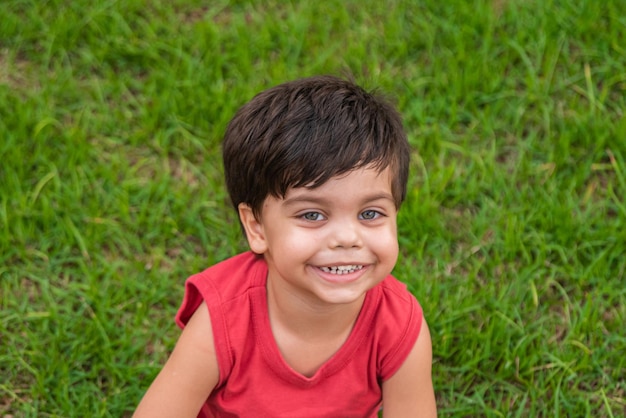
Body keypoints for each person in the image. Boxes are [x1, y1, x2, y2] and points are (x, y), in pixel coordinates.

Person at [133, 75, 437, 417]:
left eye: (370, 213)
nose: (348, 238)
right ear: (256, 226)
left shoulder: (399, 327)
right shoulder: (222, 321)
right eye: (312, 214)